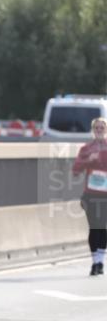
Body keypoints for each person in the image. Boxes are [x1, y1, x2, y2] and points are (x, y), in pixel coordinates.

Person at [71, 116, 107, 276]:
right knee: (94, 227)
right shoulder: (86, 149)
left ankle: (100, 260)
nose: (99, 130)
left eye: (102, 128)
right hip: (91, 195)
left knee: (103, 228)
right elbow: (75, 171)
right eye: (96, 128)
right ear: (93, 130)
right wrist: (88, 161)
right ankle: (95, 262)